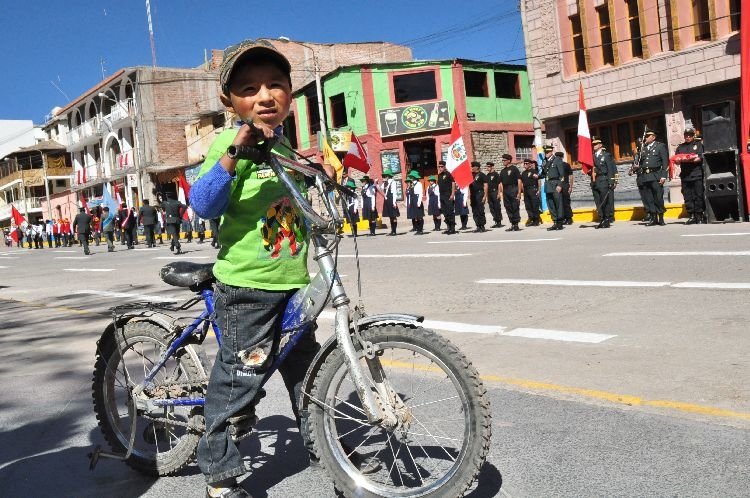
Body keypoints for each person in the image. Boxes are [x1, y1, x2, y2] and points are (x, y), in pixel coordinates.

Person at [187, 39, 338, 498]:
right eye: (249, 88)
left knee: (306, 372)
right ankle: (217, 472)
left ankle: (326, 448)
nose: (265, 96)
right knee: (237, 380)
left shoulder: (285, 146)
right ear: (229, 101)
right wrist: (234, 152)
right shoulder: (226, 145)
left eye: (276, 85)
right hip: (247, 288)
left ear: (291, 94)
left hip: (292, 282)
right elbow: (203, 204)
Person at [637, 129, 669, 226]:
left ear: (653, 137)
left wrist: (663, 176)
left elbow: (665, 163)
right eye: (645, 136)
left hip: (656, 175)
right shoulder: (643, 148)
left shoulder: (660, 146)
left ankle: (661, 217)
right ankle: (653, 218)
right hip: (646, 176)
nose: (645, 138)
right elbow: (641, 162)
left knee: (658, 197)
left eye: (647, 136)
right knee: (649, 198)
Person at [675, 128, 706, 224]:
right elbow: (677, 160)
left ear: (693, 136)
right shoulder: (680, 147)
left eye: (690, 135)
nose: (688, 137)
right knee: (688, 196)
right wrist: (678, 160)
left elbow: (700, 157)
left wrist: (691, 159)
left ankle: (699, 215)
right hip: (685, 176)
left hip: (696, 174)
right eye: (686, 135)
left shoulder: (698, 145)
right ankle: (691, 215)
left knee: (698, 195)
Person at [590, 136, 617, 229]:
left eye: (596, 144)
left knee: (605, 201)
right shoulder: (591, 157)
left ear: (600, 145)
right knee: (598, 201)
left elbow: (610, 169)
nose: (594, 145)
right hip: (595, 181)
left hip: (603, 180)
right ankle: (601, 218)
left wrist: (611, 182)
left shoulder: (606, 155)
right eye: (593, 144)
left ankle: (606, 219)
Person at [542, 145, 566, 231]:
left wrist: (560, 185)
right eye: (545, 152)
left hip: (555, 184)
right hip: (548, 185)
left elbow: (562, 175)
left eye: (547, 152)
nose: (546, 154)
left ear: (551, 152)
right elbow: (544, 174)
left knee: (558, 204)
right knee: (550, 204)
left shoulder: (557, 160)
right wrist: (537, 176)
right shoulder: (545, 161)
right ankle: (555, 222)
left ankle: (560, 222)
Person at [498, 154, 523, 231]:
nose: (503, 162)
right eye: (502, 160)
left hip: (513, 188)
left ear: (509, 160)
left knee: (515, 206)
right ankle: (512, 223)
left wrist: (519, 192)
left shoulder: (514, 169)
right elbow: (500, 183)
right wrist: (502, 192)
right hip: (506, 190)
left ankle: (516, 224)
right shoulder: (502, 171)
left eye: (504, 160)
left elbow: (519, 180)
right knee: (508, 207)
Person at [437, 160, 456, 234]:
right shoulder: (439, 175)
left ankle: (452, 229)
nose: (440, 168)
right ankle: (448, 227)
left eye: (441, 167)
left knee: (450, 211)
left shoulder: (448, 174)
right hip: (442, 196)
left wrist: (452, 194)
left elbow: (453, 183)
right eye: (439, 167)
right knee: (445, 212)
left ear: (444, 167)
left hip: (448, 195)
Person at [520, 158, 541, 226]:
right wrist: (522, 192)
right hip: (526, 190)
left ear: (530, 164)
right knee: (528, 205)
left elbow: (538, 180)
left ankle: (536, 220)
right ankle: (531, 219)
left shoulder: (534, 171)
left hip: (533, 189)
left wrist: (539, 190)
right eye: (524, 163)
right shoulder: (523, 173)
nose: (525, 165)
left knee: (534, 205)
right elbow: (522, 183)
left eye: (526, 164)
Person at [468, 161, 488, 232]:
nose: (472, 168)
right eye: (472, 166)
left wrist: (485, 196)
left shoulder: (482, 175)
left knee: (480, 210)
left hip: (480, 193)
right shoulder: (470, 175)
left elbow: (485, 186)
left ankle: (482, 226)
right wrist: (469, 194)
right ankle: (478, 226)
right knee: (474, 210)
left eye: (473, 166)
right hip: (473, 194)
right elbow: (469, 186)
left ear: (477, 167)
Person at [379, 169, 400, 236]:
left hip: (391, 199)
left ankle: (394, 231)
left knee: (393, 216)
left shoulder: (393, 182)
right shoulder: (385, 183)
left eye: (385, 176)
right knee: (390, 216)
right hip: (387, 200)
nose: (384, 177)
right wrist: (376, 183)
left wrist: (394, 202)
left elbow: (394, 193)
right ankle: (392, 230)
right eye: (384, 176)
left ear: (388, 176)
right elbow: (380, 188)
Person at [556, 152, 574, 225]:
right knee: (560, 203)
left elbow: (571, 175)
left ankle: (569, 218)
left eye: (559, 157)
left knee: (566, 202)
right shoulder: (555, 165)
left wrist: (570, 186)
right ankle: (562, 218)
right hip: (558, 186)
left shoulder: (565, 165)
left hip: (565, 185)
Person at [406, 170, 425, 234]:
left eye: (411, 177)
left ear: (414, 177)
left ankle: (420, 230)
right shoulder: (411, 184)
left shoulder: (418, 183)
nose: (410, 178)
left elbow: (420, 193)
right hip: (413, 200)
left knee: (419, 216)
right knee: (416, 216)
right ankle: (418, 229)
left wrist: (419, 202)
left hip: (417, 200)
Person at [485, 161, 503, 228]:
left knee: (497, 207)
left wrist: (499, 193)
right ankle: (495, 221)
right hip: (489, 193)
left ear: (492, 167)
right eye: (487, 166)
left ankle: (499, 222)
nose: (487, 168)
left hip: (495, 192)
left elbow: (499, 184)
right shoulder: (487, 175)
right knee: (491, 207)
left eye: (488, 166)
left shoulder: (496, 174)